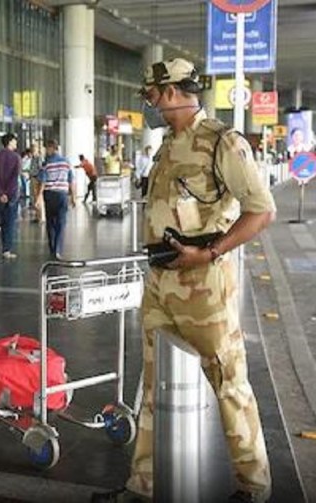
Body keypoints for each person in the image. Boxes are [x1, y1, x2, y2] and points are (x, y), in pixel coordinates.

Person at [92, 58, 275, 503]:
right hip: (159, 281)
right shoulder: (166, 145)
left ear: (171, 92)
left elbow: (261, 209)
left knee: (228, 379)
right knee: (155, 384)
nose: (150, 102)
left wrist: (210, 252)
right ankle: (144, 484)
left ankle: (254, 486)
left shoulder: (223, 143)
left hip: (204, 283)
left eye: (152, 94)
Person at [41, 140, 75, 259]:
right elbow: (71, 181)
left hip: (50, 194)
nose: (46, 151)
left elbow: (43, 180)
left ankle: (53, 248)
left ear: (53, 148)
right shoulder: (66, 162)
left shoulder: (47, 163)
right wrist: (73, 197)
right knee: (60, 223)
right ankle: (57, 250)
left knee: (51, 223)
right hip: (62, 195)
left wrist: (38, 197)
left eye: (47, 148)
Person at [0, 133, 21, 259]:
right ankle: (7, 249)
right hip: (12, 193)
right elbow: (14, 177)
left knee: (3, 221)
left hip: (0, 194)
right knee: (10, 222)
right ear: (9, 142)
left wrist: (0, 192)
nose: (16, 143)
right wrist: (8, 193)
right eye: (14, 141)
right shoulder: (16, 157)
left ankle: (4, 248)